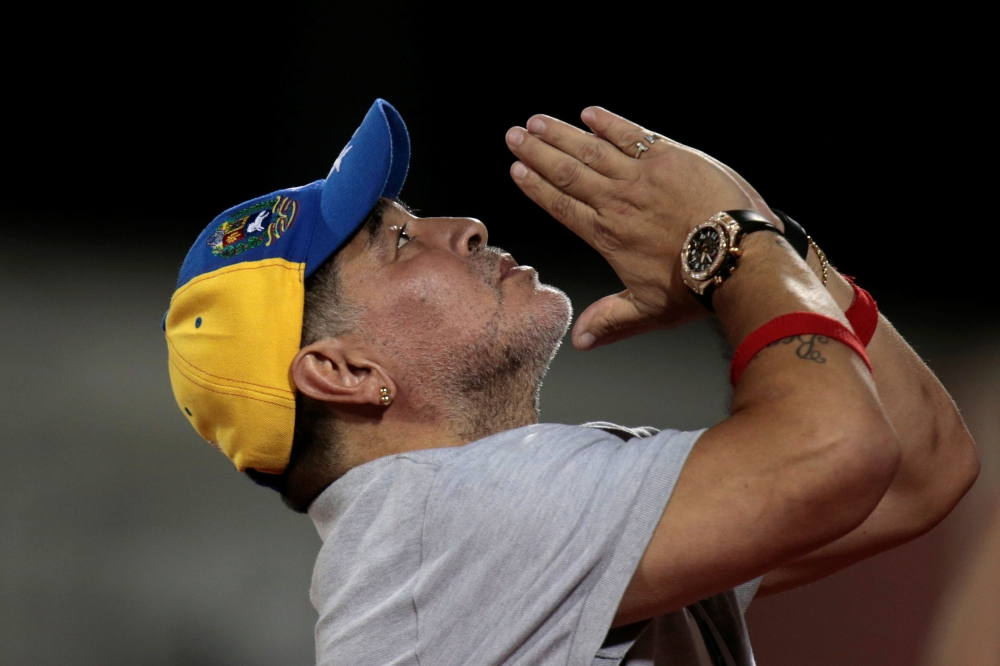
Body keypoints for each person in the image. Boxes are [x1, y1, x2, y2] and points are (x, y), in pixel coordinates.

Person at [164, 99, 980, 665]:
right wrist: (729, 241)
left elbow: (922, 469)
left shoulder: (465, 529)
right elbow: (838, 448)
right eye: (398, 241)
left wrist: (770, 246)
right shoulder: (439, 521)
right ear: (343, 371)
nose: (465, 227)